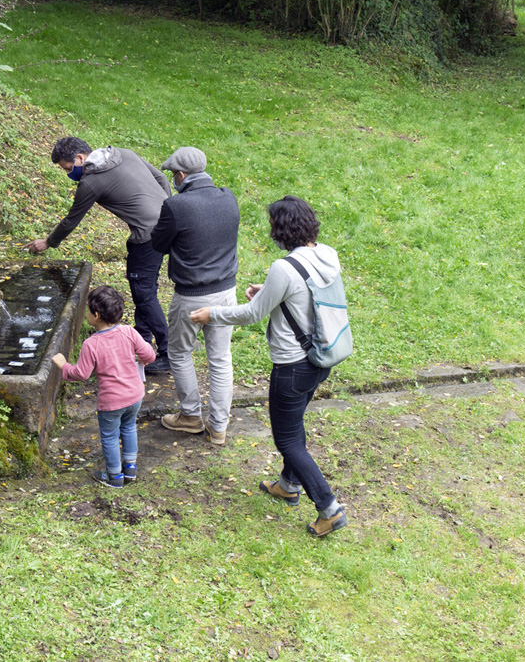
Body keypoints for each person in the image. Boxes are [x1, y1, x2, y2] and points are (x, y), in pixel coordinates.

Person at [190, 196, 347, 538]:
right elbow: (309, 295)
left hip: (292, 366)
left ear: (283, 229)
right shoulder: (327, 255)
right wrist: (269, 292)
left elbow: (251, 314)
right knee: (295, 427)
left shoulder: (284, 268)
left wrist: (211, 314)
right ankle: (288, 485)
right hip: (322, 359)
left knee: (288, 440)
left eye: (273, 225)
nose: (271, 231)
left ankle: (329, 509)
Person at [26, 137, 172, 373]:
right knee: (143, 287)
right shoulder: (123, 152)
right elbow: (162, 178)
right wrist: (167, 212)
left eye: (67, 168)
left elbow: (72, 219)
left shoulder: (91, 182)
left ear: (80, 158)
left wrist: (49, 242)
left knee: (143, 292)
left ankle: (168, 354)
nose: (68, 174)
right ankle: (143, 340)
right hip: (163, 228)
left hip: (148, 236)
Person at [150, 146, 240, 446]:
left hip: (190, 295)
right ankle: (219, 427)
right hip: (227, 292)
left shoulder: (177, 205)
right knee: (220, 358)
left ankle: (190, 415)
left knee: (178, 352)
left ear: (180, 174)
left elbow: (158, 244)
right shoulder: (229, 197)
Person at [53, 285, 156, 488]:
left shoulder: (91, 344)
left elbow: (81, 374)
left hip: (111, 402)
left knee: (109, 437)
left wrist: (63, 366)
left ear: (97, 315)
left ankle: (115, 477)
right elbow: (150, 356)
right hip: (135, 396)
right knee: (128, 428)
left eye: (88, 311)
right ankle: (131, 468)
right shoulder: (129, 332)